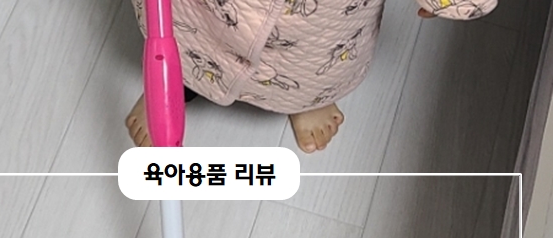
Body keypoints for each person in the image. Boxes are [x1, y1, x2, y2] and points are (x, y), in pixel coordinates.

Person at [126, 0, 497, 152]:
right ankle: (173, 83)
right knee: (186, 38)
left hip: (318, 19)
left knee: (312, 67)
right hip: (206, 10)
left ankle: (307, 100)